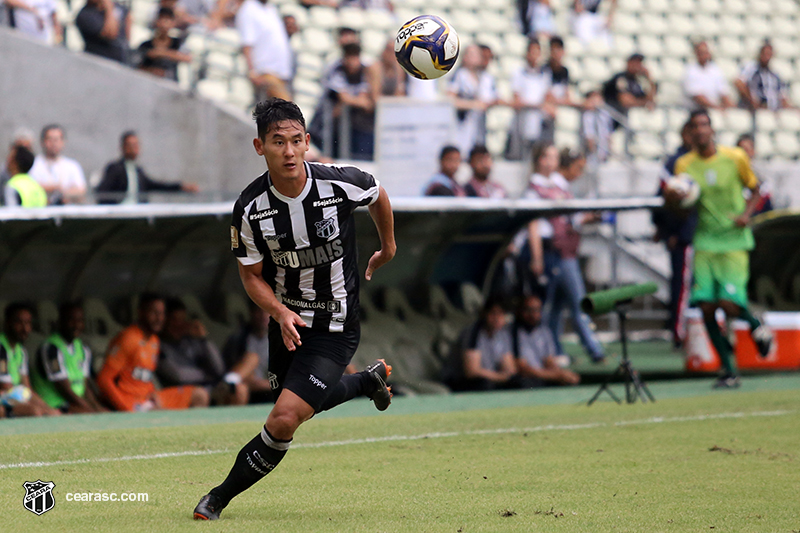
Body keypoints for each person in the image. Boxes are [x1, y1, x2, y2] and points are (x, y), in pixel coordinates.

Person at [192, 98, 396, 520]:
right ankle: (365, 382)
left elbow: (377, 193)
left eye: (295, 141)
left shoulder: (338, 184)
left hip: (336, 325)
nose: (288, 151)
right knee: (293, 404)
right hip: (288, 325)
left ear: (307, 143)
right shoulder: (250, 209)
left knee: (284, 419)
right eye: (277, 141)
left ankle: (216, 499)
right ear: (259, 146)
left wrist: (388, 246)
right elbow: (250, 277)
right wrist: (280, 313)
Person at [670, 110, 772, 388]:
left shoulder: (735, 157)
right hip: (704, 240)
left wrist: (747, 214)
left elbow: (757, 187)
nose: (701, 130)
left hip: (733, 240)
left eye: (705, 125)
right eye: (695, 126)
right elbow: (681, 209)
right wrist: (674, 200)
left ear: (712, 129)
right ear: (690, 133)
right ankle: (729, 370)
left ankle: (755, 325)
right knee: (705, 307)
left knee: (728, 304)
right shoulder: (683, 165)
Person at [527, 147, 606, 362]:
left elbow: (568, 220)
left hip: (562, 251)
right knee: (574, 302)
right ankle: (593, 351)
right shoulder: (537, 188)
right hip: (554, 253)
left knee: (555, 309)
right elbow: (536, 225)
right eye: (548, 157)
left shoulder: (554, 186)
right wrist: (537, 257)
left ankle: (554, 352)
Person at [97, 293, 210, 411]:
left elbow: (144, 376)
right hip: (129, 401)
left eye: (162, 313)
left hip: (147, 398)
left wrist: (153, 394)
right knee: (161, 414)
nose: (159, 318)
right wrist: (126, 409)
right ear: (140, 312)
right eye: (154, 313)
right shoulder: (128, 338)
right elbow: (104, 379)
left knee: (200, 395)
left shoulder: (154, 340)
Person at [651, 121, 697, 348]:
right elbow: (663, 199)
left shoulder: (704, 161)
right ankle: (678, 332)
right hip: (682, 237)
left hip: (704, 236)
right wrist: (667, 230)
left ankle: (699, 333)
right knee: (681, 285)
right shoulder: (675, 163)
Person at [157, 298, 248, 406]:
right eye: (174, 320)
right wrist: (208, 376)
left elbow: (219, 368)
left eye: (182, 320)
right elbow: (178, 375)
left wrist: (204, 339)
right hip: (181, 390)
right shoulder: (158, 345)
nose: (178, 325)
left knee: (240, 390)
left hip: (208, 387)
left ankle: (234, 422)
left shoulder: (193, 341)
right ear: (165, 320)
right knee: (201, 395)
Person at [30, 302, 107, 413]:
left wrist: (96, 406)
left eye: (80, 320)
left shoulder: (83, 349)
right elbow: (64, 389)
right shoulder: (51, 348)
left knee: (106, 414)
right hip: (55, 404)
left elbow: (85, 387)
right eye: (71, 320)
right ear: (60, 322)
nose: (76, 325)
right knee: (91, 416)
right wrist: (90, 409)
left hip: (77, 403)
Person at [96, 131, 199, 204]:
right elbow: (103, 192)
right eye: (130, 145)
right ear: (123, 147)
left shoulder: (138, 170)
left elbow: (155, 185)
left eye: (136, 145)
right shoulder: (115, 168)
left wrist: (180, 187)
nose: (134, 149)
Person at [315, 42, 376, 160]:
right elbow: (344, 97)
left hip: (353, 124)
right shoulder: (336, 69)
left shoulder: (364, 70)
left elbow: (364, 97)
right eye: (350, 57)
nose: (352, 62)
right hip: (330, 123)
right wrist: (355, 102)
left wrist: (353, 101)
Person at [442, 298, 517, 392]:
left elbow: (510, 368)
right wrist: (501, 377)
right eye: (493, 313)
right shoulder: (472, 333)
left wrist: (507, 376)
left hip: (491, 378)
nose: (497, 318)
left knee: (519, 382)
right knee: (485, 384)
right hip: (460, 380)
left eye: (501, 314)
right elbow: (472, 372)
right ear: (484, 314)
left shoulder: (503, 334)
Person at [0, 303, 60, 417]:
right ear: (7, 323)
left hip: (11, 396)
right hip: (5, 397)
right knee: (35, 411)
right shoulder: (1, 347)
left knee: (48, 411)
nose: (25, 328)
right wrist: (37, 408)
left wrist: (47, 407)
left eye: (28, 323)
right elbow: (5, 386)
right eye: (19, 322)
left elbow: (26, 388)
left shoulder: (21, 351)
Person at [511, 295, 580, 386]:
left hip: (542, 376)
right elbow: (523, 369)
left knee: (570, 379)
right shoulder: (513, 333)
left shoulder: (544, 331)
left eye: (536, 310)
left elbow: (549, 361)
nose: (533, 315)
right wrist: (557, 375)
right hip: (526, 379)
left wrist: (562, 374)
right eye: (529, 310)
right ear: (520, 311)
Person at [236, 0, 293, 102]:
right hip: (266, 71)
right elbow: (247, 43)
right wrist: (252, 71)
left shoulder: (270, 8)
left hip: (279, 72)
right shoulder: (249, 9)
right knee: (288, 111)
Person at [448, 44, 499, 155]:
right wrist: (473, 104)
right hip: (463, 123)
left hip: (480, 124)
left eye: (476, 54)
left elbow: (494, 98)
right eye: (470, 54)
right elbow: (450, 100)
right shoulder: (460, 75)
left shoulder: (486, 77)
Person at [508, 39, 555, 160]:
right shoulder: (518, 72)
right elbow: (516, 98)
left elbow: (548, 96)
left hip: (539, 121)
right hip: (523, 119)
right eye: (532, 52)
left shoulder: (545, 74)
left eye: (537, 52)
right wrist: (535, 105)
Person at [222, 299, 273, 404]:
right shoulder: (239, 338)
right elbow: (229, 364)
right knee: (240, 389)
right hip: (244, 384)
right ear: (251, 313)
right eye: (259, 311)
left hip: (271, 386)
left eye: (266, 311)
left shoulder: (280, 338)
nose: (263, 316)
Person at [29, 125, 87, 205]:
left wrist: (62, 193)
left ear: (63, 142)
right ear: (42, 142)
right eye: (50, 139)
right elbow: (30, 187)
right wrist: (52, 188)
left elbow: (81, 190)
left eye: (56, 140)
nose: (53, 144)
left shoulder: (72, 166)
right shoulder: (33, 164)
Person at [602, 53, 656, 130]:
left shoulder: (639, 80)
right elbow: (626, 101)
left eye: (639, 63)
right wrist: (644, 103)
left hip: (627, 118)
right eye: (635, 62)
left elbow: (650, 99)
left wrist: (649, 79)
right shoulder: (621, 78)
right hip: (614, 118)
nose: (638, 66)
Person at [734, 41, 792, 111]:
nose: (767, 57)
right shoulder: (751, 68)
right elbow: (739, 83)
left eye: (769, 55)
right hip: (756, 109)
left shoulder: (774, 74)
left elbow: (782, 94)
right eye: (765, 54)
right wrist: (751, 100)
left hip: (772, 110)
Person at [138, 7, 192, 81]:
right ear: (156, 21)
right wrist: (152, 71)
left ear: (173, 23)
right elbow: (137, 67)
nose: (164, 24)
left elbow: (188, 58)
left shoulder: (177, 43)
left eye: (167, 20)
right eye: (162, 19)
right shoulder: (146, 45)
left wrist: (163, 53)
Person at [75, 0, 131, 65]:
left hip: (120, 62)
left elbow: (128, 19)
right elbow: (110, 33)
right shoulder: (85, 14)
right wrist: (109, 9)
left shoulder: (117, 8)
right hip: (98, 62)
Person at [682, 41, 733, 111]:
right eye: (701, 53)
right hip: (696, 110)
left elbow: (723, 92)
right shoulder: (690, 71)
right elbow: (697, 97)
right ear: (696, 53)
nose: (704, 55)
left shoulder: (715, 69)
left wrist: (728, 106)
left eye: (706, 52)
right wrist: (716, 107)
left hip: (714, 108)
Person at [581, 89, 611, 162]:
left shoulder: (605, 114)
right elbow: (589, 136)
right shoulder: (587, 115)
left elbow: (608, 132)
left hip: (603, 148)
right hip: (593, 151)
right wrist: (593, 151)